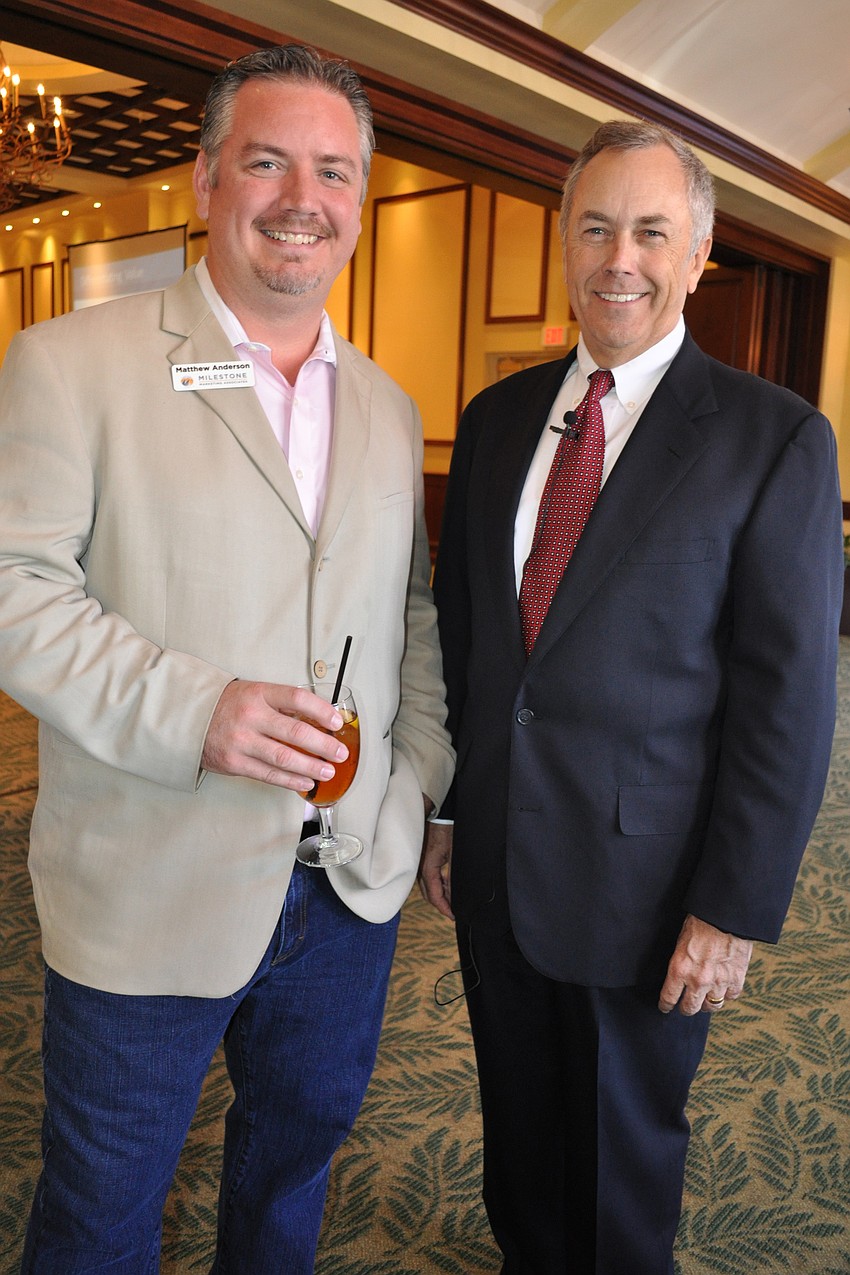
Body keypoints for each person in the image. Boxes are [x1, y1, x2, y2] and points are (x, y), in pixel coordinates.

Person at [0, 44, 454, 1273]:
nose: (301, 197)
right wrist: (195, 710)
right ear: (206, 181)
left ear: (358, 201)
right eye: (266, 161)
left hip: (348, 884)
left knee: (289, 1179)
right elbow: (15, 588)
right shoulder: (69, 365)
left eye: (333, 171)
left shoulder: (387, 405)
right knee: (99, 1213)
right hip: (150, 881)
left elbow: (410, 613)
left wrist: (412, 782)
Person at [420, 118, 842, 1274]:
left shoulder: (774, 439)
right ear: (563, 240)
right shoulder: (499, 419)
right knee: (518, 1131)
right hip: (499, 862)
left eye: (652, 232)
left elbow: (787, 702)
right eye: (597, 226)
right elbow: (467, 639)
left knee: (619, 1161)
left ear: (698, 255)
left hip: (648, 886)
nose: (621, 257)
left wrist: (734, 906)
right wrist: (452, 812)